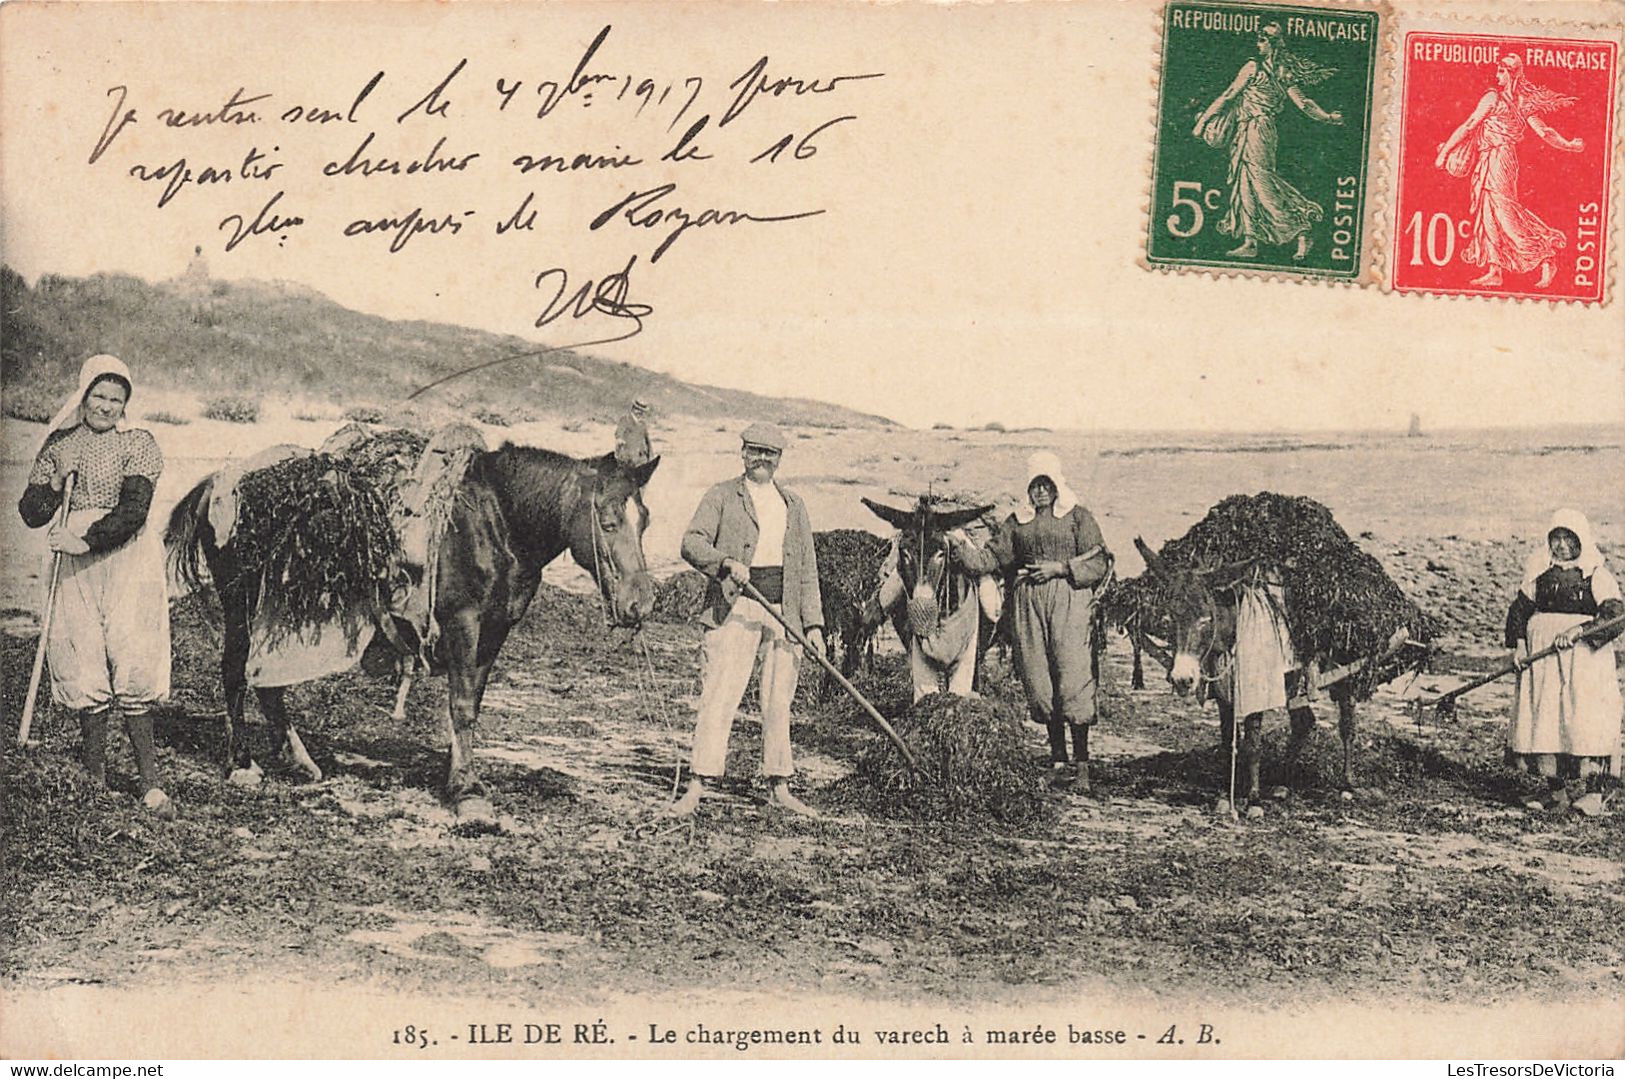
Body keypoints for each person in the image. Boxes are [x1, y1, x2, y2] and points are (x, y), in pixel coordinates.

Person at [17, 355, 175, 820]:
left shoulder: (138, 443)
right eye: (99, 396)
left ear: (126, 403)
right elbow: (30, 513)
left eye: (116, 398)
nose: (106, 406)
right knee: (83, 656)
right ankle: (95, 779)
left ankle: (149, 784)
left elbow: (134, 512)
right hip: (72, 561)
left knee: (132, 656)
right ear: (83, 395)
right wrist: (51, 484)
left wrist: (84, 539)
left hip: (124, 557)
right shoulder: (60, 443)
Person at [667, 422, 825, 817]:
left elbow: (807, 568)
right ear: (742, 453)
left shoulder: (794, 504)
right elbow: (691, 542)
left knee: (778, 702)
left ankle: (780, 785)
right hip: (735, 605)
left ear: (779, 459)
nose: (761, 459)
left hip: (783, 612)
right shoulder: (721, 495)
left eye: (769, 453)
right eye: (754, 450)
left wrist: (814, 625)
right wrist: (724, 562)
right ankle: (698, 784)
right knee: (720, 694)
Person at [947, 452, 1110, 790]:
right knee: (1040, 679)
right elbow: (992, 556)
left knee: (1073, 677)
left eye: (1045, 485)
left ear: (1057, 485)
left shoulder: (1078, 517)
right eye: (1034, 486)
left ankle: (1082, 767)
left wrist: (1061, 568)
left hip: (1070, 601)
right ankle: (1057, 760)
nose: (1039, 492)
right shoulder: (1017, 521)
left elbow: (1098, 561)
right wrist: (960, 549)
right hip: (1028, 606)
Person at [1504, 509, 1623, 816]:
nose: (1560, 545)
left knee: (1584, 718)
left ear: (1580, 540)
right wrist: (1519, 646)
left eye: (1567, 538)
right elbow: (1518, 612)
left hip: (1584, 662)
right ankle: (1554, 792)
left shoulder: (1596, 575)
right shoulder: (1540, 574)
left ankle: (1595, 794)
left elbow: (1614, 616)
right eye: (1555, 538)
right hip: (1542, 664)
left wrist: (1579, 631)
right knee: (1546, 720)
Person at [1192, 21, 1344, 261]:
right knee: (1245, 183)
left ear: (1271, 44)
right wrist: (1328, 117)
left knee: (1261, 182)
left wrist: (1202, 123)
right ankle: (1250, 241)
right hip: (1250, 129)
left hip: (1257, 129)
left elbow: (1229, 95)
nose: (1258, 44)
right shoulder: (1283, 73)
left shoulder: (1254, 67)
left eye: (1262, 40)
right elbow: (1304, 104)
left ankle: (1302, 229)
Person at [1434, 54, 1585, 290]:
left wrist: (1444, 154)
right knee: (1487, 213)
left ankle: (1545, 256)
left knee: (1505, 213)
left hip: (1501, 160)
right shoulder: (1514, 100)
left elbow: (1470, 124)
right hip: (1489, 158)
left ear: (1510, 73)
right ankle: (1495, 270)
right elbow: (1543, 132)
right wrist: (1568, 144)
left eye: (1501, 71)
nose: (1497, 75)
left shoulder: (1497, 99)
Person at [614, 397, 653, 469]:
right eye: (638, 410)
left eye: (642, 411)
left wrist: (650, 456)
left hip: (641, 459)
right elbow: (618, 433)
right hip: (628, 458)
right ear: (633, 409)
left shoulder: (642, 424)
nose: (640, 413)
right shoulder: (625, 420)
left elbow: (647, 441)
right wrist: (620, 440)